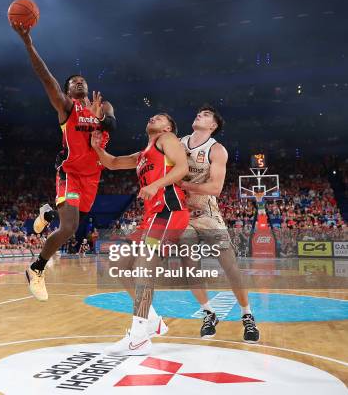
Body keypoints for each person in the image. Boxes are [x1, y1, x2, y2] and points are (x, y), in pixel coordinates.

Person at [12, 22, 117, 301]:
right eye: (73, 82)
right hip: (69, 171)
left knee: (70, 228)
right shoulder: (66, 107)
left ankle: (48, 213)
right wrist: (28, 44)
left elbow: (113, 126)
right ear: (68, 91)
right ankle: (36, 268)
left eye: (82, 80)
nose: (79, 82)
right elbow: (46, 78)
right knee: (69, 227)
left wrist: (101, 118)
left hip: (92, 176)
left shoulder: (102, 106)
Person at [91, 113, 189, 355]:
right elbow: (112, 163)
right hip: (150, 218)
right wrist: (97, 148)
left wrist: (156, 184)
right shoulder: (142, 154)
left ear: (168, 126)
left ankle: (138, 336)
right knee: (118, 261)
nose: (154, 117)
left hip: (169, 211)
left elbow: (183, 167)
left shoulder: (167, 138)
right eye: (153, 116)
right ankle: (153, 319)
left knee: (143, 266)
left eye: (161, 117)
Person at [178, 105, 260, 343]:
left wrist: (184, 186)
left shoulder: (217, 150)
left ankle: (247, 315)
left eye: (205, 115)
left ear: (213, 125)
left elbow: (215, 188)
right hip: (183, 216)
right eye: (198, 113)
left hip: (207, 213)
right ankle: (208, 313)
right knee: (189, 268)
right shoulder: (179, 143)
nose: (198, 114)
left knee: (230, 267)